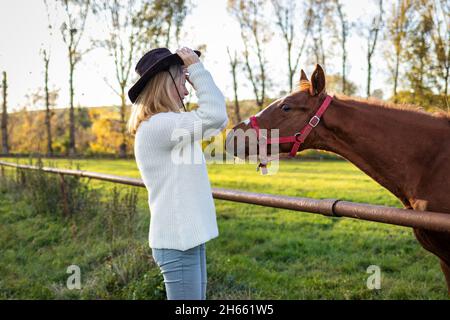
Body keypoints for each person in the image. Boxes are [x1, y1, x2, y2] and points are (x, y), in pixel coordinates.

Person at [127, 47, 228, 300]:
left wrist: (193, 75)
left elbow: (220, 121)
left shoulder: (169, 124)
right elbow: (215, 115)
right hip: (178, 242)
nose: (187, 90)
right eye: (183, 82)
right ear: (165, 83)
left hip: (187, 239)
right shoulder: (159, 126)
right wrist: (197, 69)